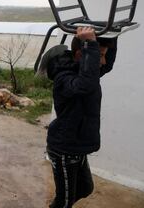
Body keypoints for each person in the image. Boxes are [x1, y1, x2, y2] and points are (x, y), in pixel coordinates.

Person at [37, 27, 117, 208]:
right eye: (100, 55)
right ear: (82, 56)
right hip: (64, 149)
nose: (102, 61)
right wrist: (91, 45)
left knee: (85, 188)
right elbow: (85, 85)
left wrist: (112, 35)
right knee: (65, 202)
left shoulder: (86, 70)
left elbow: (107, 64)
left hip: (77, 145)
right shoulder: (64, 78)